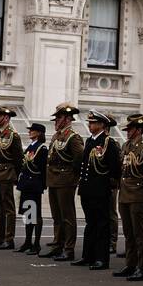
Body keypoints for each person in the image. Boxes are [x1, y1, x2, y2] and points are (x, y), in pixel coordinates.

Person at [115, 114, 143, 281]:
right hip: (124, 193)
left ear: (139, 130)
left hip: (138, 194)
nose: (127, 132)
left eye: (130, 129)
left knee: (140, 233)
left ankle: (142, 267)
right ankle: (130, 264)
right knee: (128, 232)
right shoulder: (126, 146)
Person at [75, 111, 118, 270]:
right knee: (90, 223)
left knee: (101, 225)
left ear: (102, 125)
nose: (90, 124)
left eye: (93, 122)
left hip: (100, 190)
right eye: (90, 122)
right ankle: (88, 255)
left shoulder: (108, 142)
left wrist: (106, 185)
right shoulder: (90, 141)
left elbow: (114, 168)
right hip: (87, 189)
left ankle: (101, 258)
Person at [44, 104, 83, 262]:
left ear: (67, 119)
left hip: (65, 180)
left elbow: (79, 158)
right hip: (54, 179)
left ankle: (68, 248)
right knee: (57, 216)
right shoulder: (56, 136)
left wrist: (71, 176)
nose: (56, 121)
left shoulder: (73, 137)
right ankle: (57, 245)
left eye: (59, 118)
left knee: (67, 216)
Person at [0, 107, 24, 249]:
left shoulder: (13, 135)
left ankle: (9, 238)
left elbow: (19, 158)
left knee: (8, 208)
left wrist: (16, 176)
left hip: (7, 173)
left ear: (6, 118)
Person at [17, 123, 48, 255]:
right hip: (26, 184)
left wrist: (41, 185)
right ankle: (28, 241)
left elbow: (41, 168)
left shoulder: (42, 148)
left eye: (33, 131)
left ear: (39, 133)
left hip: (34, 184)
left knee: (36, 215)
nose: (30, 132)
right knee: (28, 214)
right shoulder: (31, 146)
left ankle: (36, 244)